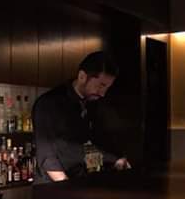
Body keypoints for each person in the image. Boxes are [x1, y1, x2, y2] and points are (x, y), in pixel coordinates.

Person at [32, 51, 131, 183]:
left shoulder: (93, 104)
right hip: (54, 186)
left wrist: (115, 159)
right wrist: (67, 186)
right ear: (82, 76)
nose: (103, 93)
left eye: (107, 87)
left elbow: (88, 145)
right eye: (101, 85)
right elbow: (47, 157)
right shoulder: (49, 103)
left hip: (81, 181)